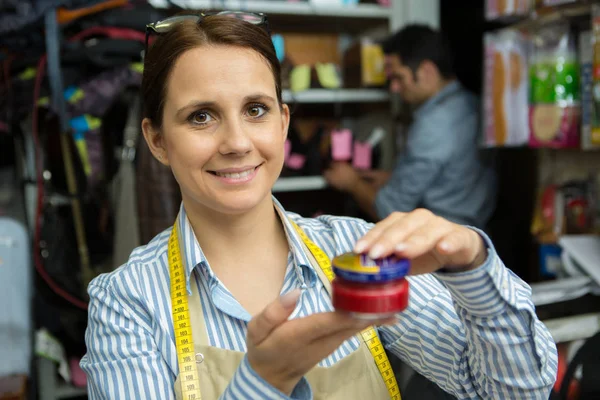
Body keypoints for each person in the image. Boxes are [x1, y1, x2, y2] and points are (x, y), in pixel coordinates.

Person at [80, 12, 557, 399]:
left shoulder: (356, 247)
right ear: (158, 140)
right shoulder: (127, 301)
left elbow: (514, 391)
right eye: (201, 116)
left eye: (256, 109)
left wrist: (473, 265)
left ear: (283, 123)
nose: (237, 142)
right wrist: (263, 383)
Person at [324, 25, 497, 230]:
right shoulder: (472, 103)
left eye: (399, 77)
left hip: (440, 245)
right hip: (476, 230)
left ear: (427, 71)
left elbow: (390, 209)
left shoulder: (433, 123)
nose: (394, 88)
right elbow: (452, 175)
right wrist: (394, 178)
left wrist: (352, 183)